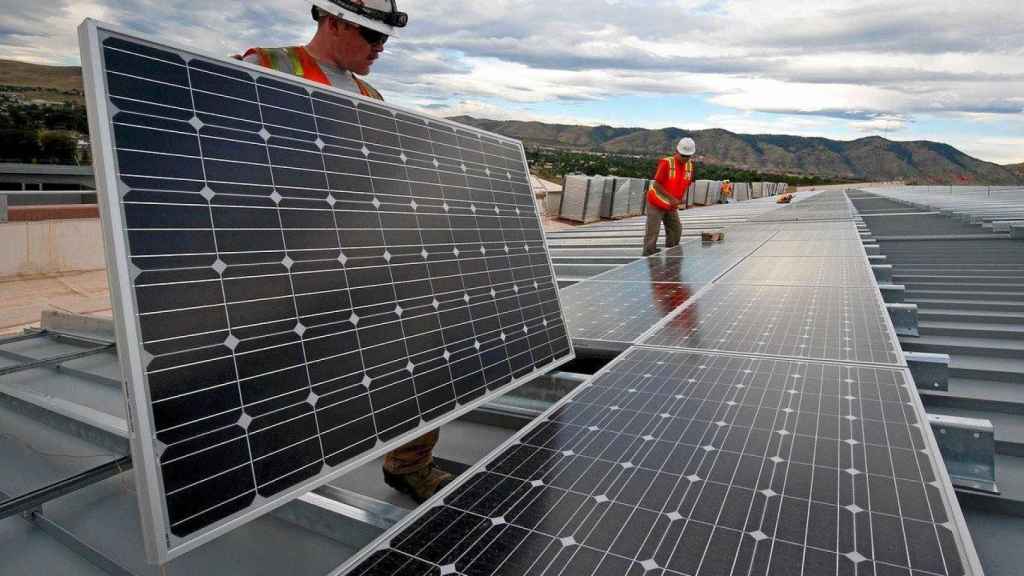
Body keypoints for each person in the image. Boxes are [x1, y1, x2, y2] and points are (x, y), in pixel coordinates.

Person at [239, 0, 452, 504]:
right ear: (331, 22)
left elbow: (374, 182)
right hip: (279, 260)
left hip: (350, 255)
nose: (380, 49)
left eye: (385, 40)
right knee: (283, 376)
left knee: (415, 350)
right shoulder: (264, 67)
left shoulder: (369, 95)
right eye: (370, 37)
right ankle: (261, 471)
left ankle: (409, 463)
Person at [643, 138, 695, 256]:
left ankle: (671, 253)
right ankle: (648, 255)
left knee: (676, 230)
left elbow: (685, 184)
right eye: (683, 155)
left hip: (671, 205)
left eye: (688, 156)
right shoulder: (667, 163)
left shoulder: (690, 166)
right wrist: (671, 198)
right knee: (653, 231)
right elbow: (656, 184)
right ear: (677, 151)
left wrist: (680, 198)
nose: (685, 158)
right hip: (656, 202)